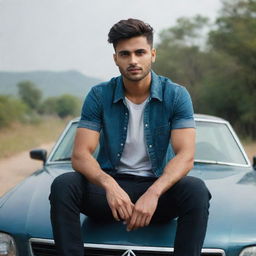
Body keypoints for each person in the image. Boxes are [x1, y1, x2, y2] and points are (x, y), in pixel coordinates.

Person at [49, 18, 211, 256]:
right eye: (124, 54)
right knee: (63, 185)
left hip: (158, 188)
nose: (133, 60)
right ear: (116, 58)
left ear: (152, 55)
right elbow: (81, 155)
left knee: (196, 190)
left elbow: (186, 156)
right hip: (111, 189)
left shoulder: (176, 94)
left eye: (140, 52)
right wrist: (109, 186)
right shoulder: (99, 95)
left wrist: (153, 193)